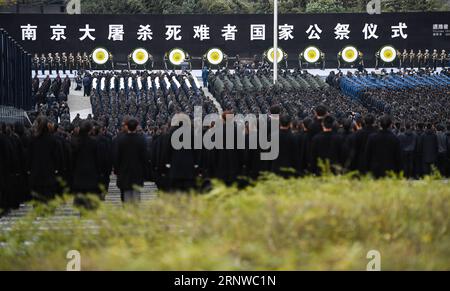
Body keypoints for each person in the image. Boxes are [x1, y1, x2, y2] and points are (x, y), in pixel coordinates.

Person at [28, 116, 64, 201]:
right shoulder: (53, 139)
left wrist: (28, 168)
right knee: (48, 194)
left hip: (36, 171)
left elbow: (29, 156)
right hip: (49, 171)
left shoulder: (33, 139)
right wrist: (57, 168)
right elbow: (57, 156)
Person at [114, 118, 148, 203]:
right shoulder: (141, 140)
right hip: (137, 171)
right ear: (136, 127)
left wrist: (116, 170)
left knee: (126, 194)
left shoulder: (121, 140)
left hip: (124, 171)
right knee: (136, 195)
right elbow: (145, 157)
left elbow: (116, 157)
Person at [71, 120, 102, 204]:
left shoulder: (75, 142)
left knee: (81, 200)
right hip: (91, 174)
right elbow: (98, 159)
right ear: (90, 130)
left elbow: (72, 160)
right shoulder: (94, 142)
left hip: (78, 174)